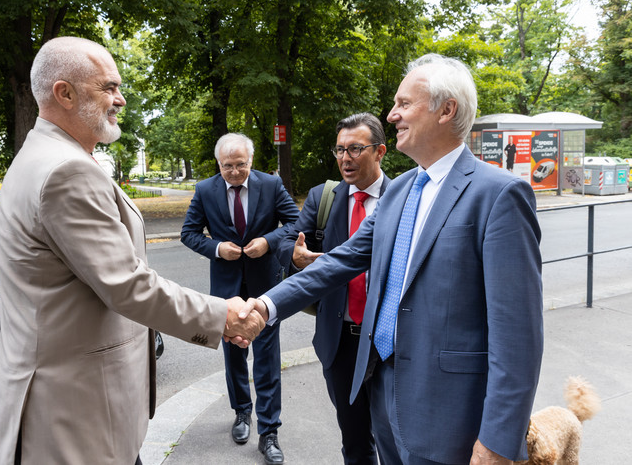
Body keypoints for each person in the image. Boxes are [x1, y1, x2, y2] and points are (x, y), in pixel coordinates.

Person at [244, 54, 543, 464]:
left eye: (404, 103)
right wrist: (266, 305)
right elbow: (340, 260)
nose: (393, 113)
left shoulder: (499, 194)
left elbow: (518, 337)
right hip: (384, 399)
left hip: (451, 421)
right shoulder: (401, 190)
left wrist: (497, 440)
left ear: (446, 110)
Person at [0, 36, 264, 465]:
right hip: (73, 420)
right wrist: (220, 316)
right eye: (108, 87)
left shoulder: (49, 154)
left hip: (73, 412)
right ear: (64, 93)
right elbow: (126, 284)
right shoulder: (66, 171)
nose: (120, 99)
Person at [276, 112, 390, 464]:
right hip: (340, 341)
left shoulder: (403, 196)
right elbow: (286, 241)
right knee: (355, 441)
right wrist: (297, 259)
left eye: (355, 149)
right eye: (339, 150)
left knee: (394, 438)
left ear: (380, 151)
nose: (345, 158)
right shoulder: (323, 197)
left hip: (389, 341)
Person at [181, 133, 300, 465]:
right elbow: (188, 233)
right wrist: (218, 248)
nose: (234, 173)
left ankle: (270, 431)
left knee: (266, 356)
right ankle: (242, 413)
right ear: (219, 164)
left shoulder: (271, 185)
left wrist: (269, 241)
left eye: (241, 165)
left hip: (265, 286)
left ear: (251, 160)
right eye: (227, 166)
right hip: (226, 288)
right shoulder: (205, 190)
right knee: (234, 356)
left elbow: (295, 221)